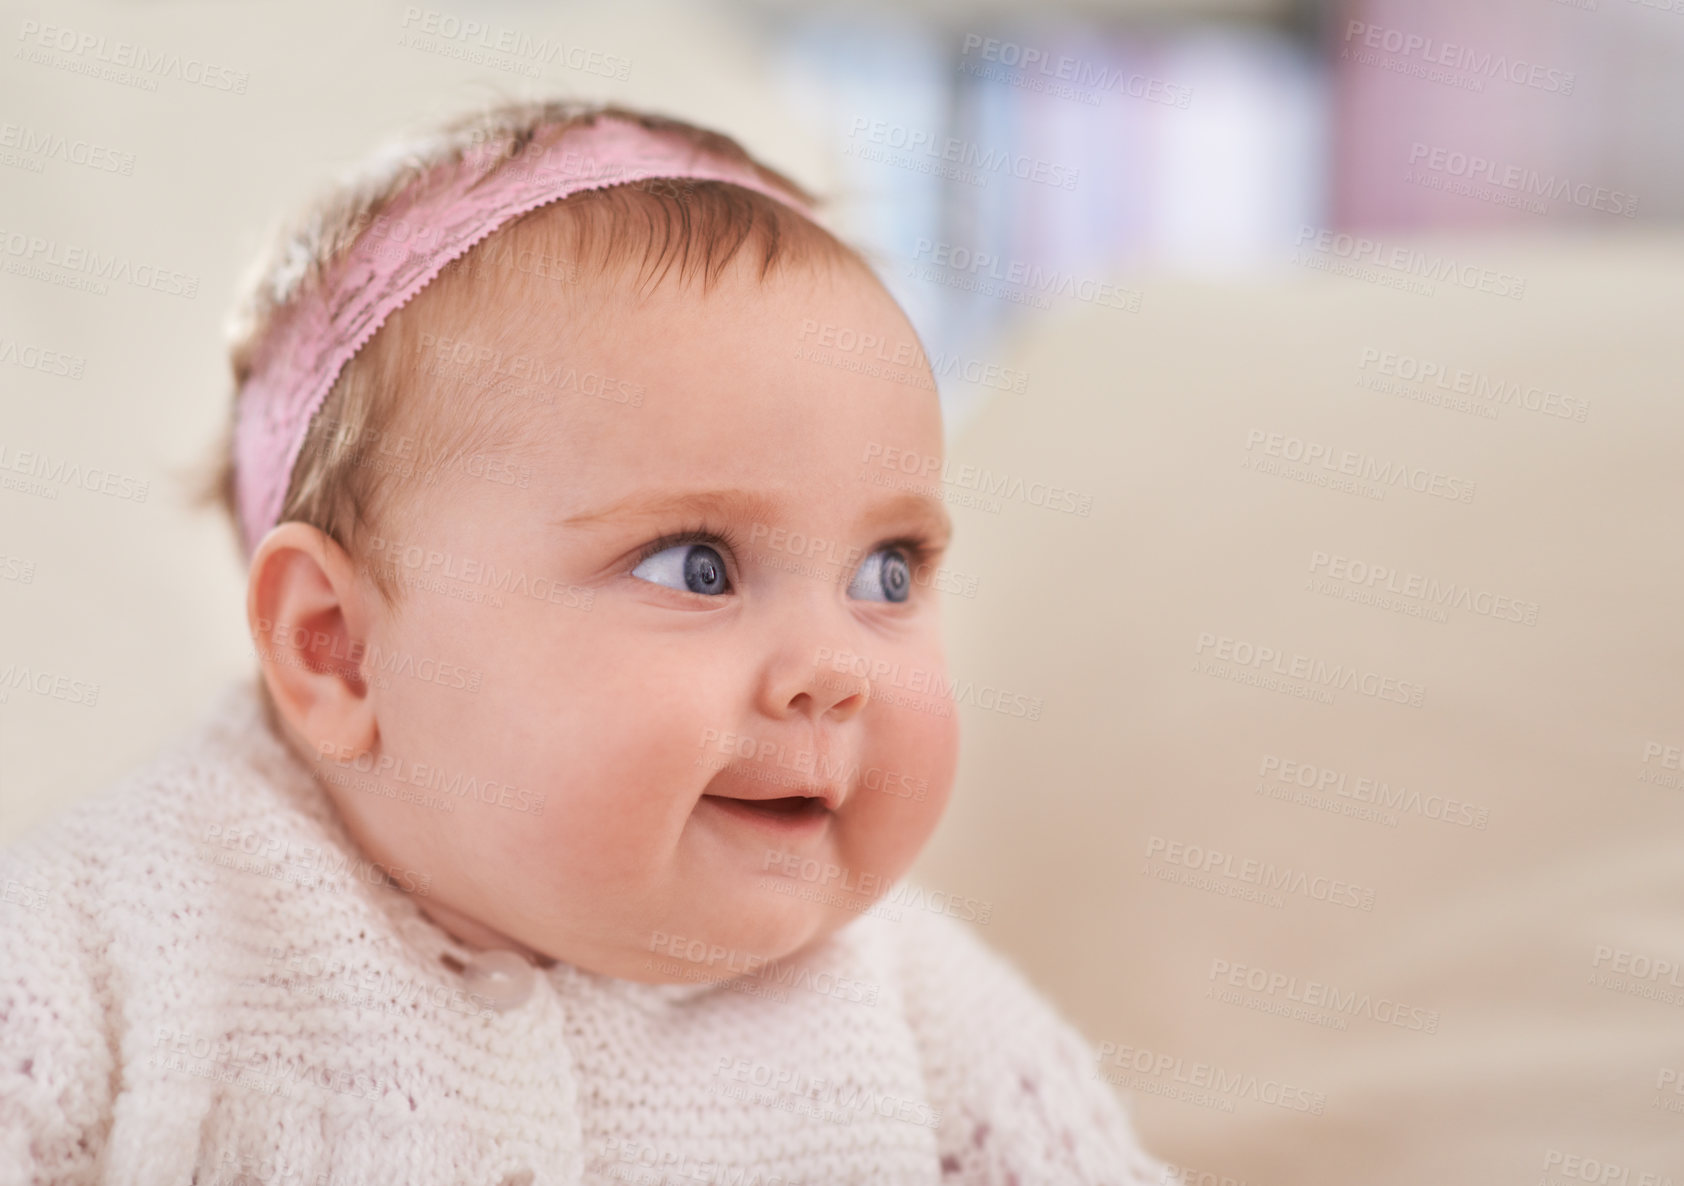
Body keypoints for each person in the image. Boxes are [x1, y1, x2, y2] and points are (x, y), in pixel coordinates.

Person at [0, 98, 1164, 1185]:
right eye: (696, 566)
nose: (834, 668)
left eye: (886, 571)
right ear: (338, 650)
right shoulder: (111, 948)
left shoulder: (923, 1015)